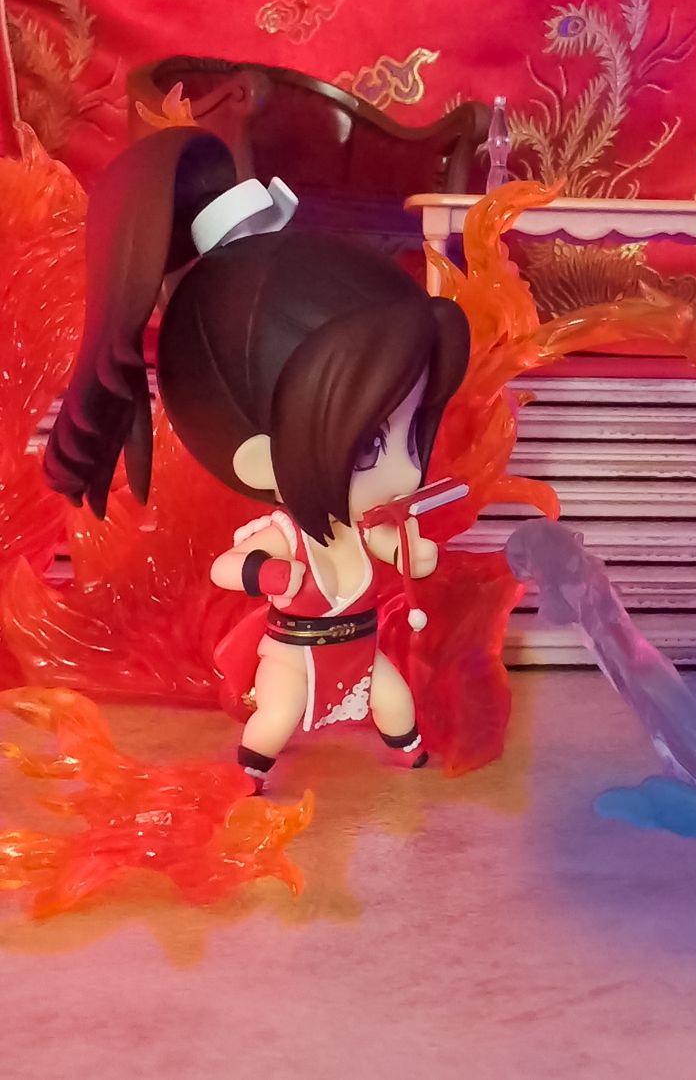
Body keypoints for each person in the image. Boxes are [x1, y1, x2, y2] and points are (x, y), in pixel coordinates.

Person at [44, 127, 470, 788]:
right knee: (277, 715)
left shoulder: (366, 525)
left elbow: (402, 555)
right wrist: (269, 574)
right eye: (370, 445)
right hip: (296, 655)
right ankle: (251, 769)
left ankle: (408, 747)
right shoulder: (288, 534)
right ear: (262, 462)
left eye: (412, 436)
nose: (404, 471)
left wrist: (416, 554)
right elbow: (228, 567)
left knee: (392, 697)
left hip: (357, 648)